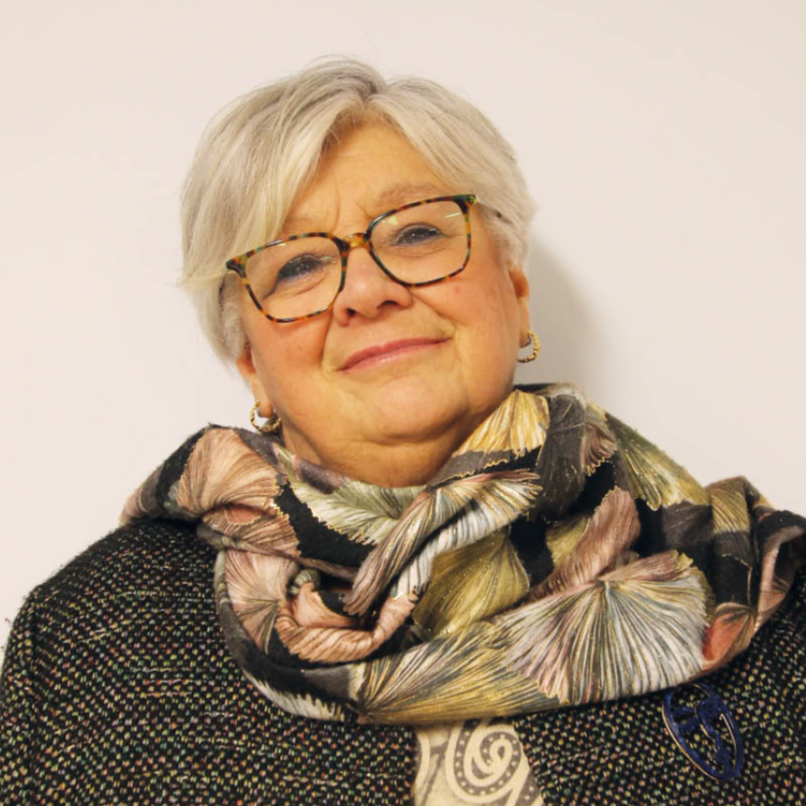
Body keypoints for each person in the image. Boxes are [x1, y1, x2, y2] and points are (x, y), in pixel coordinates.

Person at [1, 58, 804, 806]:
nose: (365, 291)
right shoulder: (90, 643)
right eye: (297, 266)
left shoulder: (756, 586)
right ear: (251, 364)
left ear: (515, 289)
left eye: (416, 232)